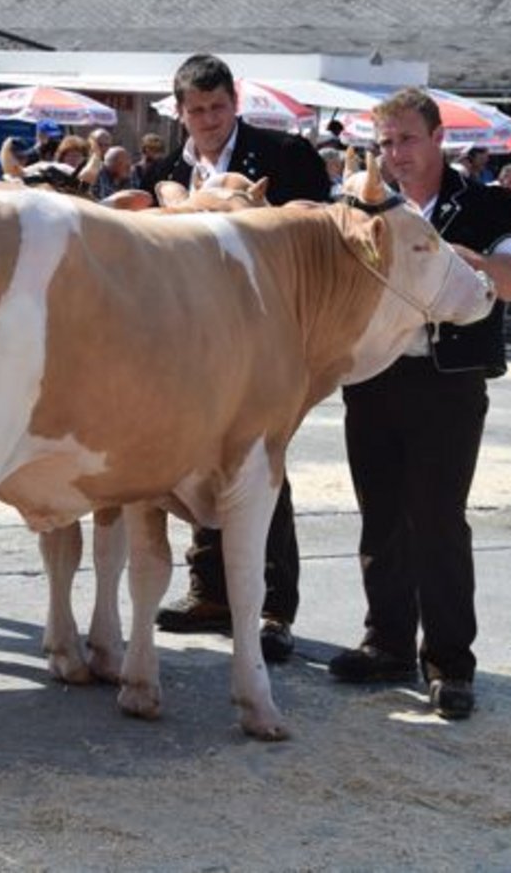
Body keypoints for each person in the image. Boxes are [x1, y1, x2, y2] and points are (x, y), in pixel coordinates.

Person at [330, 87, 511, 720]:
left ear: (439, 136)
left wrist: (436, 257)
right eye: (385, 143)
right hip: (371, 375)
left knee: (438, 521)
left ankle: (450, 662)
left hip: (447, 381)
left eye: (407, 140)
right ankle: (388, 642)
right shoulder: (360, 204)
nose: (396, 155)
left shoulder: (487, 201)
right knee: (380, 517)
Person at [148, 53, 331, 663]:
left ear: (237, 102)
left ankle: (274, 606)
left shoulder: (287, 157)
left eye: (217, 107)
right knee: (195, 458)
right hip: (186, 340)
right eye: (195, 110)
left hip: (265, 336)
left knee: (259, 462)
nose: (207, 120)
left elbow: (316, 239)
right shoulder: (164, 169)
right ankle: (211, 593)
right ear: (179, 113)